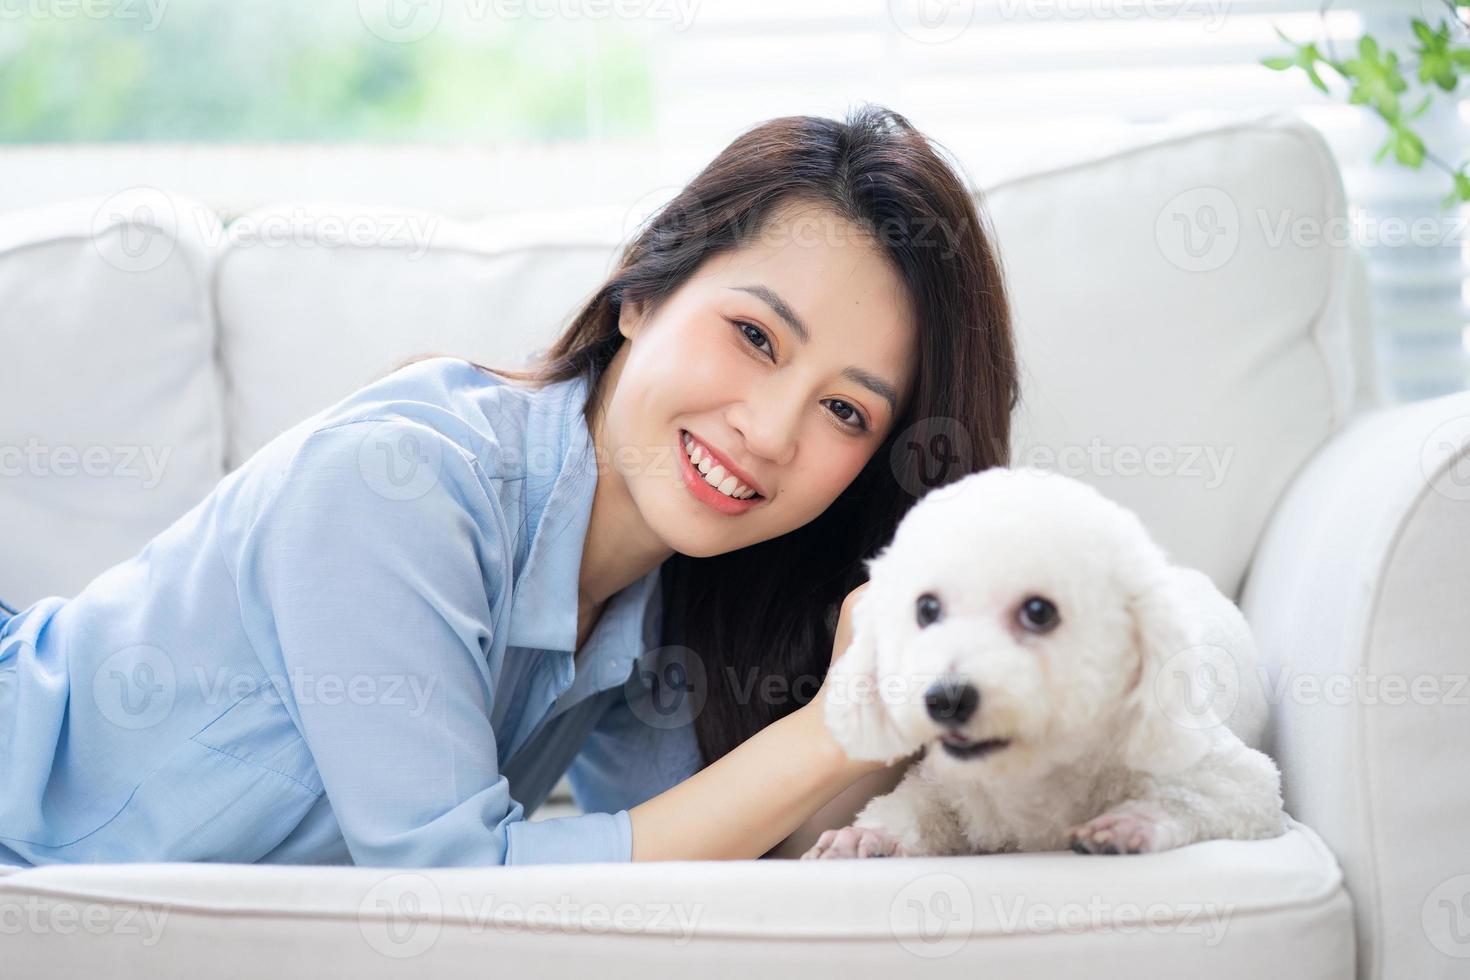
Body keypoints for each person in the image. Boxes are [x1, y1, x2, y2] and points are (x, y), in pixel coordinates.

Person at [0, 103, 1018, 867]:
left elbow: (704, 866)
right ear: (644, 290)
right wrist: (831, 729)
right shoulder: (398, 485)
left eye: (846, 410)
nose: (768, 430)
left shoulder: (660, 602)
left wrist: (886, 695)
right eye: (754, 335)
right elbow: (456, 886)